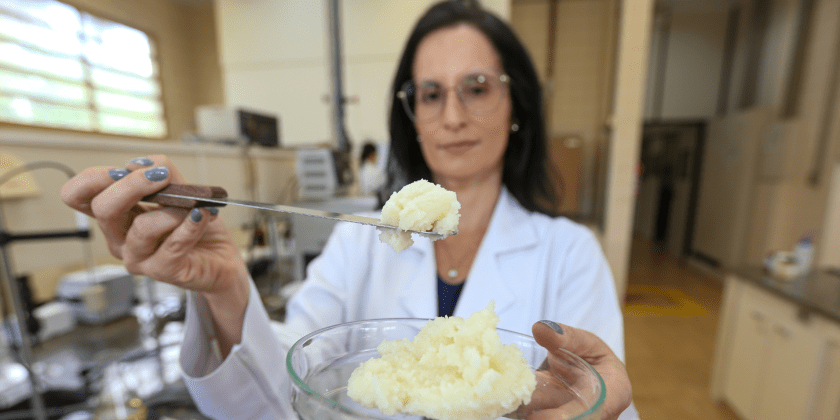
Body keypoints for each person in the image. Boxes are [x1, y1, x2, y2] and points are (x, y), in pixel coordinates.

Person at [60, 1, 637, 419]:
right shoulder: (363, 239)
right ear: (410, 114)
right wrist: (225, 285)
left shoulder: (569, 251)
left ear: (517, 105)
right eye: (430, 94)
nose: (453, 117)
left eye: (478, 87)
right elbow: (287, 386)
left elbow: (599, 399)